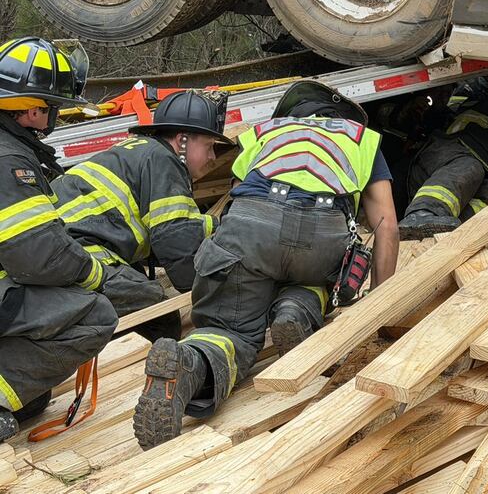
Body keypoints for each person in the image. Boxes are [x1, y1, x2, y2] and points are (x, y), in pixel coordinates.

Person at [133, 81, 399, 449]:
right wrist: (384, 312)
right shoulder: (361, 139)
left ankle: (189, 365)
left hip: (252, 226)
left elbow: (240, 200)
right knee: (319, 279)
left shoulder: (265, 133)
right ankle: (296, 312)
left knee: (232, 329)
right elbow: (387, 227)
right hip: (323, 235)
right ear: (342, 118)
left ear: (293, 113)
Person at [0, 37, 117, 442]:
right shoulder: (10, 160)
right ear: (32, 109)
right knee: (94, 313)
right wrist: (92, 273)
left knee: (32, 393)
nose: (55, 117)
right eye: (54, 108)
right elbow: (37, 256)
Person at [52, 91, 230, 341]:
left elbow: (164, 231)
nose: (213, 157)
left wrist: (216, 228)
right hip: (81, 255)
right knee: (158, 317)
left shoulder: (138, 152)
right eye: (209, 146)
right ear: (182, 140)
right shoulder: (164, 161)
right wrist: (217, 295)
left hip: (59, 254)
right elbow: (176, 243)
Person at [398, 77, 488, 238]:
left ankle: (448, 231)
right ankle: (422, 214)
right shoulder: (479, 99)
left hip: (475, 181)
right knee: (471, 166)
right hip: (444, 158)